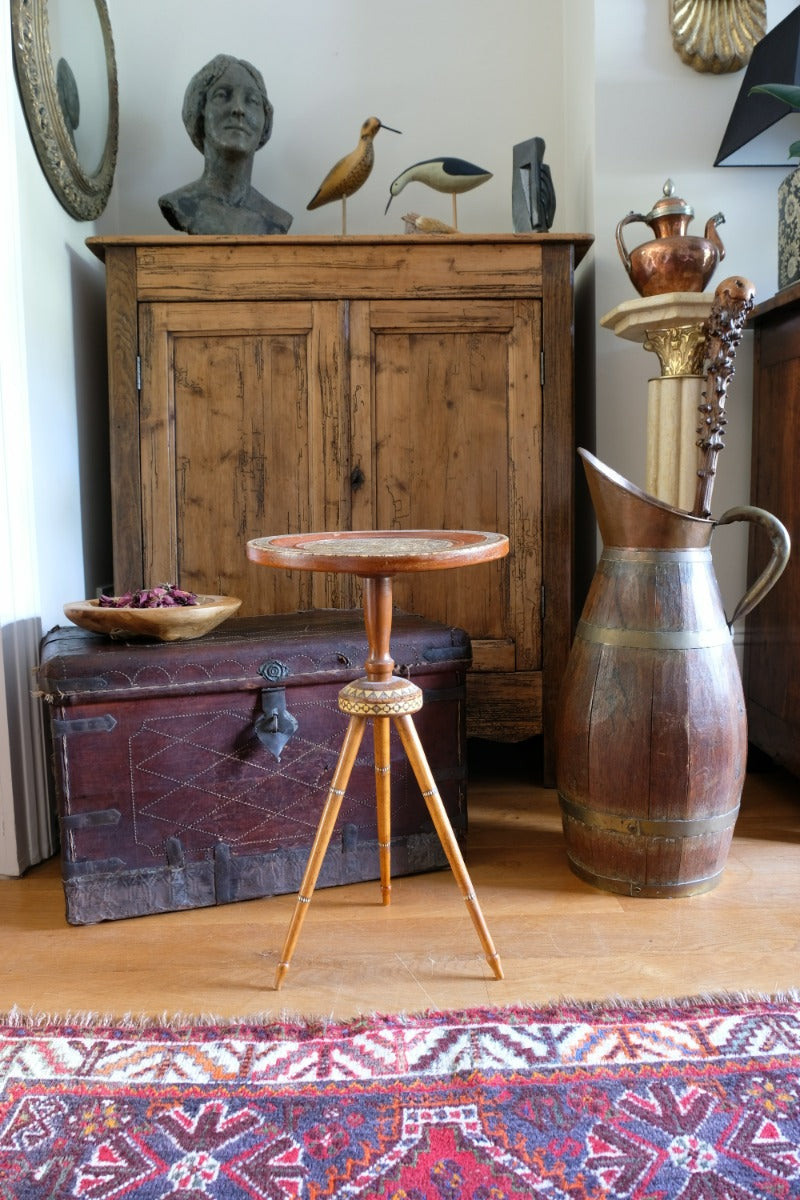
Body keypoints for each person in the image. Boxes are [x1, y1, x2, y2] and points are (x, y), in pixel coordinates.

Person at [158, 54, 292, 235]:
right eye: (222, 95)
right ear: (200, 108)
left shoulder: (276, 220)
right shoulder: (181, 205)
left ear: (265, 118)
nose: (238, 109)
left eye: (252, 100)